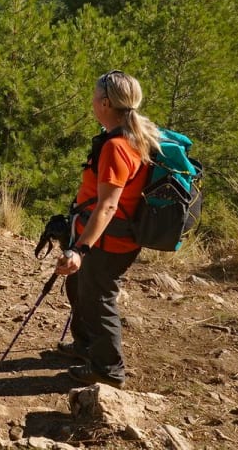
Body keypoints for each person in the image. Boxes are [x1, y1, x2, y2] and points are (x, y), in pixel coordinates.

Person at [54, 70, 160, 389]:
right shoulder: (135, 134)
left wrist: (79, 249)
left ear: (104, 102)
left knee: (98, 298)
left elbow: (108, 205)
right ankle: (86, 347)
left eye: (93, 96)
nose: (91, 102)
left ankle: (108, 370)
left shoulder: (116, 146)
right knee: (80, 289)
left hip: (109, 239)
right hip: (109, 234)